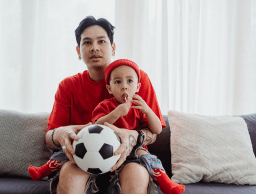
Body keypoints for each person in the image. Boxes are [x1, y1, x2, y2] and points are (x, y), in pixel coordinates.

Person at [44, 16, 166, 194]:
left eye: (101, 41)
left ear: (113, 48)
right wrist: (60, 133)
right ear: (78, 51)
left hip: (129, 157)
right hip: (81, 159)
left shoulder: (137, 79)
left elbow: (154, 133)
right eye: (87, 43)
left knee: (137, 176)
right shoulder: (67, 86)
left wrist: (132, 136)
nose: (94, 48)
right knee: (70, 178)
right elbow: (49, 137)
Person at [92, 59, 185, 194]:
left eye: (129, 81)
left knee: (145, 154)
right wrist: (116, 113)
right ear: (109, 88)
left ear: (137, 87)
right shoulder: (105, 105)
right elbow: (96, 125)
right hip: (110, 148)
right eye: (118, 82)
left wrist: (147, 110)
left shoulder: (138, 106)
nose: (124, 86)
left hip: (134, 148)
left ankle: (165, 181)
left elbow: (157, 129)